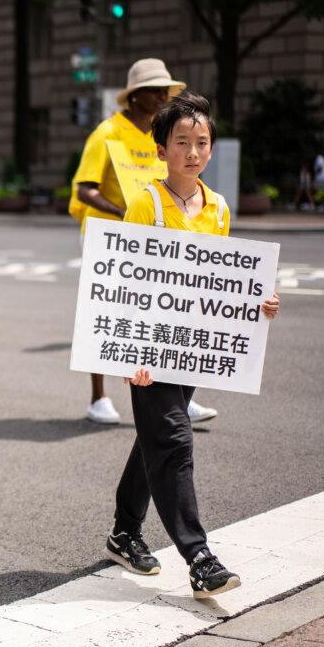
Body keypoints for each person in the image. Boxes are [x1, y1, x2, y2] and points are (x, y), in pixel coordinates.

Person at [108, 92, 281, 599]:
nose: (192, 151)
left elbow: (220, 282)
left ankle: (123, 531)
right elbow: (123, 285)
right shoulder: (146, 203)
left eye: (201, 142)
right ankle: (198, 556)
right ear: (161, 149)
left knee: (155, 437)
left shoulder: (219, 208)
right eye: (181, 141)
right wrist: (129, 354)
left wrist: (259, 302)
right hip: (151, 347)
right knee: (175, 441)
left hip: (190, 346)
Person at [70, 59, 216, 426]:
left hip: (154, 235)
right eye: (156, 91)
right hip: (111, 236)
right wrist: (125, 213)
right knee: (108, 313)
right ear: (134, 96)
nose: (163, 97)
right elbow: (83, 190)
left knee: (168, 311)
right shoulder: (107, 134)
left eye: (166, 92)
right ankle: (98, 397)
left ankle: (178, 393)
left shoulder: (162, 135)